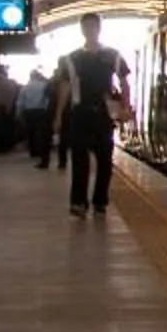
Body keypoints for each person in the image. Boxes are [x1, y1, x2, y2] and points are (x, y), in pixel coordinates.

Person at [54, 15, 126, 218]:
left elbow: (124, 81)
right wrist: (59, 115)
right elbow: (65, 87)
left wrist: (124, 107)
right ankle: (78, 202)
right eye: (86, 27)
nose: (90, 30)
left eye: (93, 26)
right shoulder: (73, 58)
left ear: (99, 28)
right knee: (79, 160)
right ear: (82, 30)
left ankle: (100, 201)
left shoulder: (113, 55)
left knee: (105, 160)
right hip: (80, 112)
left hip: (103, 113)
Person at [20, 63, 55, 170]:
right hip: (41, 111)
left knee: (30, 131)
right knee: (40, 132)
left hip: (28, 111)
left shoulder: (25, 87)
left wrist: (19, 112)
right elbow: (47, 99)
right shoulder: (43, 86)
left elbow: (21, 101)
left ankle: (32, 151)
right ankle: (40, 150)